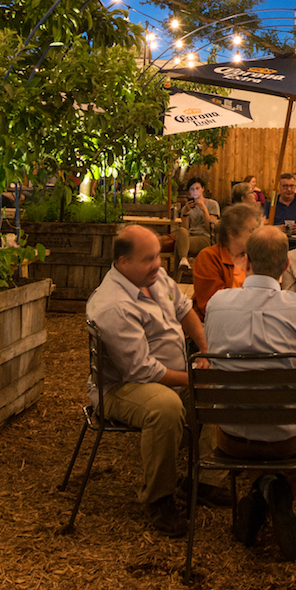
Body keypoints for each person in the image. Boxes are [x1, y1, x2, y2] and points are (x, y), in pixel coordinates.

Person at [204, 228, 296, 560]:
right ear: (287, 265)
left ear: (246, 260)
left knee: (262, 425)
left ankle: (263, 491)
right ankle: (282, 489)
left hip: (229, 435)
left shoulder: (217, 303)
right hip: (288, 438)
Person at [83, 225, 223, 536]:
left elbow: (185, 309)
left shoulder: (153, 279)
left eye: (158, 256)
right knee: (166, 406)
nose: (158, 264)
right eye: (148, 259)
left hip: (162, 375)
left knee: (217, 386)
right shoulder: (113, 305)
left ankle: (203, 481)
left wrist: (205, 351)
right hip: (119, 388)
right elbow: (142, 371)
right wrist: (193, 379)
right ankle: (158, 498)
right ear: (123, 263)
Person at [190, 202, 261, 318]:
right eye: (252, 230)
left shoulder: (256, 257)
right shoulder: (209, 257)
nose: (257, 235)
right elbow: (211, 304)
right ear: (232, 233)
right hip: (217, 323)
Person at [173, 177, 220, 270]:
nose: (195, 191)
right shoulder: (186, 208)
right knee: (181, 231)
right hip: (190, 235)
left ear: (202, 189)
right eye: (192, 189)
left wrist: (204, 210)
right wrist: (186, 212)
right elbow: (185, 229)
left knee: (179, 245)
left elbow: (210, 228)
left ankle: (176, 279)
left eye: (197, 188)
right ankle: (183, 260)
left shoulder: (212, 204)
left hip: (205, 237)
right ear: (189, 192)